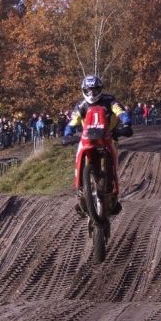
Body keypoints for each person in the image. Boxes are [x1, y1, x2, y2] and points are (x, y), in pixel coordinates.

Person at [65, 75, 133, 217]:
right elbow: (72, 121)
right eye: (88, 91)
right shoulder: (81, 105)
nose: (92, 94)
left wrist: (126, 124)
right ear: (84, 90)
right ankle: (81, 191)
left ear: (100, 89)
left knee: (113, 160)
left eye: (95, 90)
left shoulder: (110, 100)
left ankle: (112, 189)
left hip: (108, 135)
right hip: (87, 138)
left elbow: (121, 112)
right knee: (78, 156)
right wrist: (68, 134)